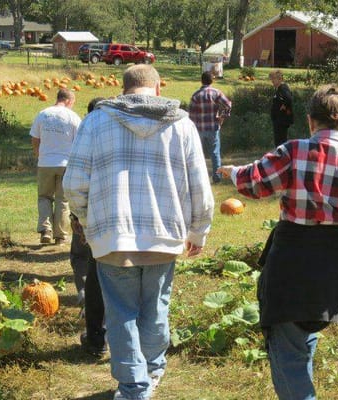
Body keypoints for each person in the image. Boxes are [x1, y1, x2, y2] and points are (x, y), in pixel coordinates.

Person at [218, 84, 338, 400]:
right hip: (333, 273)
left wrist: (231, 172)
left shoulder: (293, 151)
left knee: (288, 355)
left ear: (309, 121)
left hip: (291, 267)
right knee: (304, 335)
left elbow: (256, 182)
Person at [64, 65, 214, 400]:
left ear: (123, 89)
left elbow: (74, 185)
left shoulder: (95, 122)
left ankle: (134, 385)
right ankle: (150, 370)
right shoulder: (183, 126)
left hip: (112, 236)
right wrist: (198, 230)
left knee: (120, 314)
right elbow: (200, 187)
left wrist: (88, 222)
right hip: (164, 234)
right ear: (158, 89)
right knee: (156, 308)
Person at [70, 96, 107, 356]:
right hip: (119, 219)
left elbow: (76, 181)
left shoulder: (87, 133)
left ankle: (97, 337)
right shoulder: (117, 134)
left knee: (94, 274)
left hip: (94, 216)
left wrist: (77, 218)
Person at [30, 88, 81, 244]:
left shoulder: (43, 114)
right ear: (68, 101)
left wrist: (39, 154)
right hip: (66, 164)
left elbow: (35, 138)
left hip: (45, 163)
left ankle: (45, 230)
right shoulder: (73, 117)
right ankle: (60, 235)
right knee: (62, 200)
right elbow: (79, 141)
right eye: (72, 102)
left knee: (44, 197)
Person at [189, 71, 232, 184]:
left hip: (199, 129)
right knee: (215, 153)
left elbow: (191, 115)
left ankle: (199, 177)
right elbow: (228, 104)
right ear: (212, 80)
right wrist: (222, 116)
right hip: (213, 127)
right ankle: (217, 177)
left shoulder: (195, 95)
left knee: (198, 153)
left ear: (201, 81)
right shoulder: (216, 93)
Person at [269, 70, 294, 147]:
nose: (272, 81)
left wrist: (284, 106)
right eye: (271, 79)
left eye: (274, 79)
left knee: (280, 141)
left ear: (280, 79)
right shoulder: (279, 89)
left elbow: (288, 98)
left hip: (282, 120)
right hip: (278, 120)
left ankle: (282, 156)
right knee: (278, 141)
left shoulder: (283, 88)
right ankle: (280, 155)